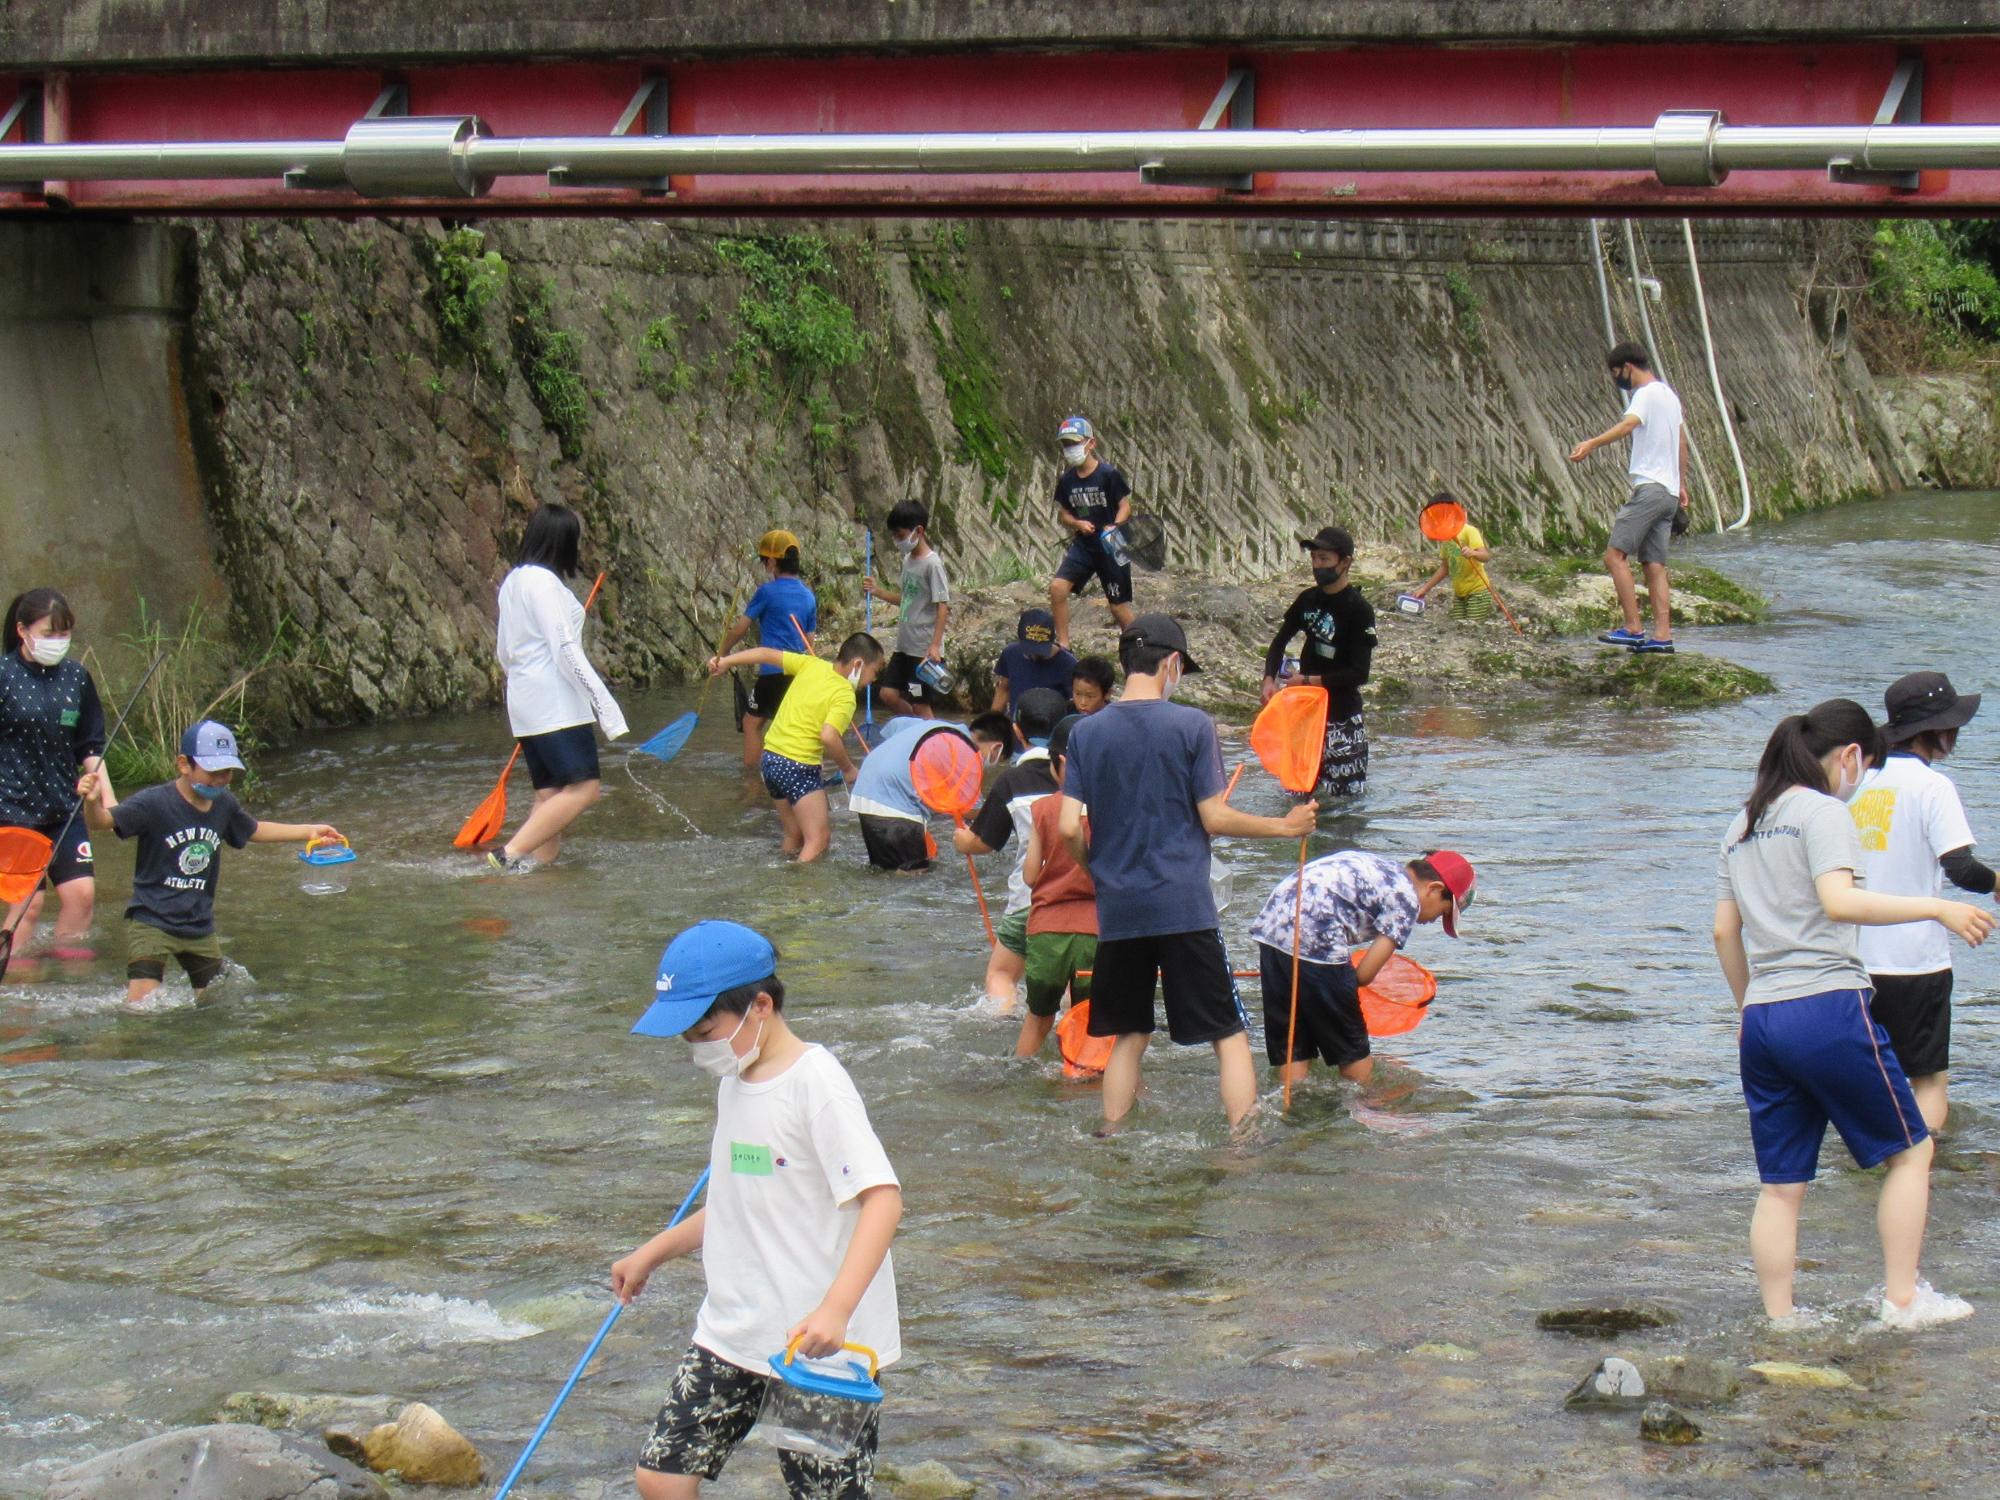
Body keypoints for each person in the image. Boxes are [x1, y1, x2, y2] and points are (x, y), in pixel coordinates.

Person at [1713, 698, 1992, 1328]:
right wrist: (1937, 908)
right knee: (1911, 1152)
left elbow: (1723, 934)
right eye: (1862, 768)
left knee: (1782, 1184)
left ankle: (1781, 1321)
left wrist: (1746, 1007)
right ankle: (1902, 1299)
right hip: (1828, 1004)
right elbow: (1839, 902)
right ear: (1850, 756)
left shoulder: (1741, 824)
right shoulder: (1823, 811)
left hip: (1763, 1019)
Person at [617, 920, 901, 1500]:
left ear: (761, 1006)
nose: (697, 1048)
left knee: (823, 1494)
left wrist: (836, 1310)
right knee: (662, 1476)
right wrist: (655, 1251)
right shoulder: (735, 1080)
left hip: (819, 1346)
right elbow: (734, 1203)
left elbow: (883, 1200)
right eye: (688, 1038)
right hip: (735, 1327)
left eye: (705, 1031)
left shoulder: (816, 1085)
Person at [1060, 614, 1318, 1133]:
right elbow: (1214, 818)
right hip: (1182, 905)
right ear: (1172, 663)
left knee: (1129, 1035)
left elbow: (1069, 828)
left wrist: (1102, 874)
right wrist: (1286, 827)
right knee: (1228, 1033)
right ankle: (1242, 1142)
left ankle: (1110, 1138)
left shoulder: (1085, 733)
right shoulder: (1192, 725)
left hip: (1120, 908)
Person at [76, 720, 340, 1007]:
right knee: (142, 1007)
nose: (221, 779)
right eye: (213, 771)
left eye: (227, 772)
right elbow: (102, 822)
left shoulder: (224, 805)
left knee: (216, 1004)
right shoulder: (154, 803)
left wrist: (308, 831)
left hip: (198, 925)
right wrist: (91, 802)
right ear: (183, 765)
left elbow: (253, 830)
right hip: (151, 921)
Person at [1850, 672, 1995, 1135]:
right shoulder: (1933, 787)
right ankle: (1922, 1167)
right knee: (1928, 1078)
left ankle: (1865, 1161)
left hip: (1851, 957)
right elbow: (1960, 869)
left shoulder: (1857, 781)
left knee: (1868, 1074)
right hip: (1915, 961)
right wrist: (1995, 881)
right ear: (1938, 730)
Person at [1249, 849, 1475, 1089]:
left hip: (1272, 929)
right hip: (1318, 940)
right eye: (1443, 912)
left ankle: (1290, 1101)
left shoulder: (1380, 867)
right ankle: (1366, 1104)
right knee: (1353, 1051)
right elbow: (1364, 974)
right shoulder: (1408, 899)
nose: (1434, 921)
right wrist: (1344, 985)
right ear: (1434, 889)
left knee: (1293, 1045)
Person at [488, 503, 628, 872]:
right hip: (556, 704)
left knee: (549, 796)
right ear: (564, 543)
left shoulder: (513, 582)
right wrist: (605, 706)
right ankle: (509, 854)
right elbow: (565, 650)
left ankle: (537, 881)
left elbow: (504, 652)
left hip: (524, 702)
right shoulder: (545, 584)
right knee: (585, 789)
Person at [0, 587, 112, 959]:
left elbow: (91, 746)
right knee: (27, 906)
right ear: (22, 630)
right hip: (12, 811)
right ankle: (18, 985)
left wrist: (109, 803)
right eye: (49, 634)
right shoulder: (4, 677)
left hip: (64, 808)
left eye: (64, 634)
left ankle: (66, 981)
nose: (58, 642)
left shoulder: (77, 679)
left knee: (81, 897)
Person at [710, 635, 884, 863]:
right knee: (819, 839)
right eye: (875, 671)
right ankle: (798, 893)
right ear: (858, 664)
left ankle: (781, 879)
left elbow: (765, 653)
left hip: (771, 760)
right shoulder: (845, 695)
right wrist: (849, 769)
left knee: (794, 834)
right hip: (797, 766)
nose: (873, 680)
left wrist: (726, 660)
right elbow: (829, 737)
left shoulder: (811, 663)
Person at [1567, 341, 1689, 654]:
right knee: (1654, 564)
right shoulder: (1669, 395)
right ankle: (1662, 636)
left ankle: (1633, 628)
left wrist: (1591, 443)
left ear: (1628, 368)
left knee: (1614, 556)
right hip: (1669, 491)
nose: (1616, 379)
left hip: (1649, 488)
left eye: (1616, 373)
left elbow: (1628, 425)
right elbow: (1682, 442)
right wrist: (1682, 484)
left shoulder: (1645, 394)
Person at [956, 691, 1067, 1004]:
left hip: (1028, 901)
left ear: (1017, 732)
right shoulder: (1087, 777)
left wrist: (962, 839)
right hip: (1083, 904)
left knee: (1001, 975)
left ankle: (1002, 1021)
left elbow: (983, 843)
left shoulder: (1012, 781)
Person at [1261, 526, 1377, 799]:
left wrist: (1308, 681)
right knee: (1299, 793)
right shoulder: (1307, 600)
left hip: (1342, 718)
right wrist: (1268, 679)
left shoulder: (1359, 609)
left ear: (1345, 561)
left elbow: (1359, 673)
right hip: (1305, 716)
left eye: (1324, 559)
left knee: (1345, 802)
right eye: (1314, 558)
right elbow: (1279, 643)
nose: (1317, 565)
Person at [1016, 714, 1095, 1059]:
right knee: (1093, 1024)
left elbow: (1031, 876)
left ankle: (1018, 1071)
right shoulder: (1115, 807)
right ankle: (1080, 1082)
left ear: (1061, 762)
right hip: (1098, 932)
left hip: (1047, 931)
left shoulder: (1046, 809)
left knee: (1038, 1018)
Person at [849, 715, 1011, 874]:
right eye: (998, 760)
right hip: (896, 802)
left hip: (864, 789)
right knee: (913, 876)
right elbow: (968, 809)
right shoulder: (966, 753)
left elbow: (892, 726)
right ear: (996, 749)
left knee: (887, 873)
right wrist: (1002, 816)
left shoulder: (937, 726)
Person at [718, 530, 819, 768]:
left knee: (751, 724)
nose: (765, 564)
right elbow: (810, 643)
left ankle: (753, 781)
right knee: (791, 729)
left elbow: (741, 628)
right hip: (798, 675)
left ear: (773, 562)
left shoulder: (766, 592)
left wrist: (722, 653)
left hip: (772, 673)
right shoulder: (808, 596)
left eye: (765, 560)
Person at [1048, 415, 1137, 649]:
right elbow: (1064, 513)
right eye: (1066, 445)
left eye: (1074, 443)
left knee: (1117, 605)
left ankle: (1140, 644)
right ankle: (1064, 643)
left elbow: (1125, 505)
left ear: (1091, 444)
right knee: (1057, 588)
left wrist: (1114, 525)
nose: (1070, 449)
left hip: (1111, 545)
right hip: (1084, 545)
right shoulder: (1067, 480)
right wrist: (1077, 523)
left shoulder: (1108, 475)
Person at [863, 501, 950, 721]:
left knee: (920, 704)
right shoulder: (908, 560)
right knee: (888, 694)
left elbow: (943, 606)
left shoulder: (933, 565)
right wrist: (878, 591)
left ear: (918, 531)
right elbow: (907, 599)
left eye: (900, 535)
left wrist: (935, 645)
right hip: (904, 647)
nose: (897, 541)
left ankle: (934, 740)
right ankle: (918, 730)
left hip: (922, 652)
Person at [1409, 493, 1497, 621]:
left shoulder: (1469, 531)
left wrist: (1473, 553)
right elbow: (1445, 568)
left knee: (1471, 629)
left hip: (1478, 592)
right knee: (1459, 626)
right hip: (1460, 594)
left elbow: (1486, 556)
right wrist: (1425, 588)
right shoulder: (1446, 539)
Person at [989, 608, 1076, 720]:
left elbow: (1075, 702)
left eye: (1040, 650)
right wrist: (991, 723)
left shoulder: (1067, 664)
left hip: (1050, 728)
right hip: (1016, 726)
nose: (1035, 656)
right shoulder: (1010, 654)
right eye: (1030, 650)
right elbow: (1004, 689)